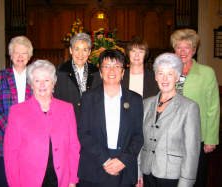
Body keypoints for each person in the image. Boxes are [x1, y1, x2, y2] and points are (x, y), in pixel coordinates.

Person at [4, 60, 80, 187]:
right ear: (31, 84)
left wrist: (72, 179)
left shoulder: (67, 109)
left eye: (46, 80)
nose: (42, 85)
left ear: (53, 83)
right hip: (28, 180)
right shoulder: (17, 112)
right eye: (37, 81)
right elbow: (11, 154)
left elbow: (73, 146)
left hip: (60, 179)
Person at [78, 49, 144, 187]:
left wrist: (123, 160)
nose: (112, 70)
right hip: (94, 166)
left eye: (117, 66)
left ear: (123, 72)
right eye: (106, 66)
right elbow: (83, 134)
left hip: (124, 169)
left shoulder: (135, 100)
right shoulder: (88, 98)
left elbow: (138, 136)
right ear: (101, 73)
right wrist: (106, 160)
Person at [137, 53, 201, 187]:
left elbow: (192, 151)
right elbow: (139, 141)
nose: (164, 79)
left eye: (170, 74)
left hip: (173, 177)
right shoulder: (146, 104)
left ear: (177, 77)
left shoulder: (189, 107)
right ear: (155, 76)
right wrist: (138, 172)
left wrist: (185, 183)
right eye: (160, 73)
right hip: (147, 173)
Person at [171, 28, 220, 187]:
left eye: (187, 47)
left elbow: (213, 108)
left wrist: (211, 139)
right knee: (174, 177)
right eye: (179, 47)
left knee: (196, 177)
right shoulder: (168, 71)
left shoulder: (207, 73)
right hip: (172, 135)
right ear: (174, 49)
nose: (183, 51)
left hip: (197, 135)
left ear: (194, 49)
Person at [0, 35, 33, 187]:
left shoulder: (36, 78)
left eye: (24, 53)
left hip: (29, 139)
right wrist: (10, 128)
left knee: (26, 179)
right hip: (3, 137)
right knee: (3, 180)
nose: (20, 56)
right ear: (10, 55)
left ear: (30, 56)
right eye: (16, 52)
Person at [54, 32, 101, 123]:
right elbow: (56, 100)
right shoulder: (60, 72)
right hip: (67, 121)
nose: (80, 54)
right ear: (71, 50)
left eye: (85, 50)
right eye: (77, 49)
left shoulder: (96, 72)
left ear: (89, 52)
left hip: (91, 122)